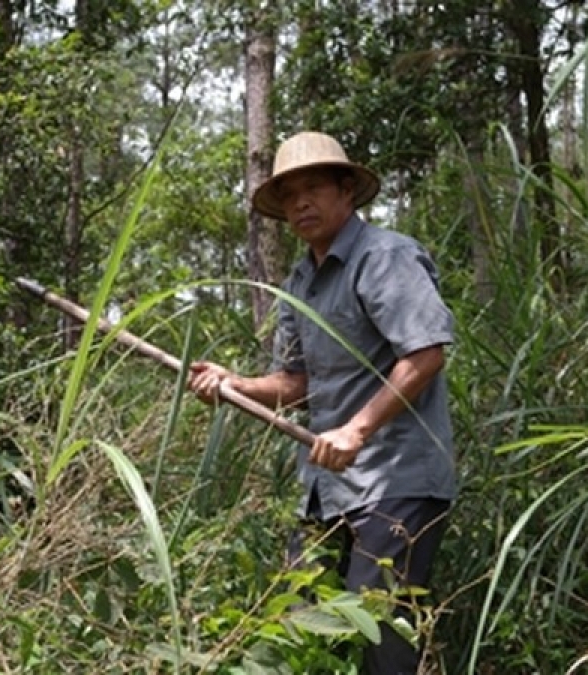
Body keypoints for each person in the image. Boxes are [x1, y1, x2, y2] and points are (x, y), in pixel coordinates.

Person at [188, 131, 459, 674]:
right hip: (327, 490)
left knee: (378, 631)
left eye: (313, 188)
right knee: (297, 616)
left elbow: (427, 354)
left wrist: (356, 431)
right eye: (288, 196)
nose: (300, 203)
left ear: (346, 192)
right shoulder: (299, 282)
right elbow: (297, 382)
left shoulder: (384, 257)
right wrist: (235, 384)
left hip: (397, 482)